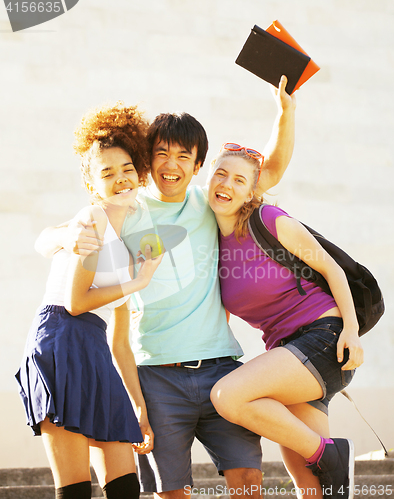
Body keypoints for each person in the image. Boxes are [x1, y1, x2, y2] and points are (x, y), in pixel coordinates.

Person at [34, 76, 296, 498]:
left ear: (197, 166)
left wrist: (286, 112)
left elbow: (272, 169)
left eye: (182, 156)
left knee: (248, 482)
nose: (170, 164)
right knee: (171, 491)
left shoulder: (210, 202)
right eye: (160, 153)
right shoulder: (124, 207)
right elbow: (51, 236)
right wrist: (62, 239)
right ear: (147, 161)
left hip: (219, 368)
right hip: (156, 374)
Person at [16, 103, 163, 499]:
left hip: (95, 346)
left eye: (127, 168)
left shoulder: (132, 240)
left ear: (140, 171)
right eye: (107, 173)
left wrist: (139, 405)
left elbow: (119, 341)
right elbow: (77, 302)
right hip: (61, 339)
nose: (120, 179)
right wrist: (138, 283)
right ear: (92, 183)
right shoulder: (92, 218)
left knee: (125, 487)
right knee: (76, 491)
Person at [207, 144, 365, 499]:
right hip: (288, 353)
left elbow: (331, 268)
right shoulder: (214, 242)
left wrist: (352, 331)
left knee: (227, 397)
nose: (226, 184)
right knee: (313, 488)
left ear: (252, 191)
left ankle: (332, 453)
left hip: (324, 338)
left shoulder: (267, 220)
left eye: (239, 179)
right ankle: (328, 457)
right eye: (220, 173)